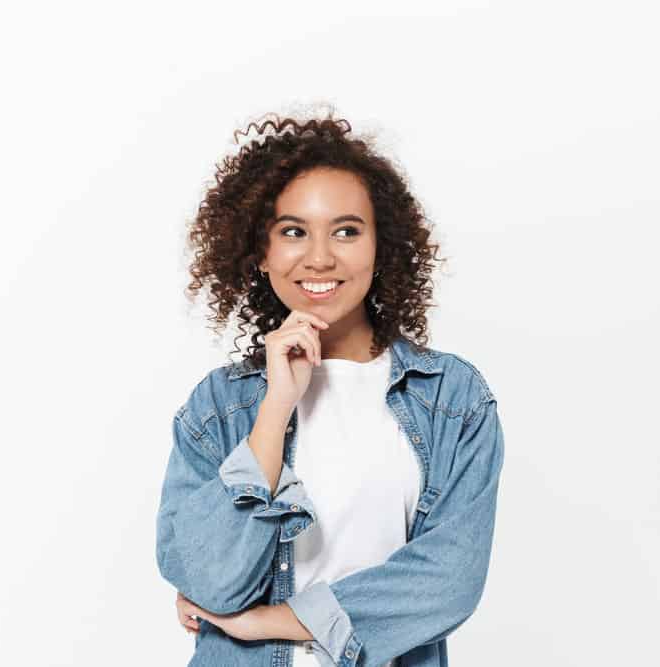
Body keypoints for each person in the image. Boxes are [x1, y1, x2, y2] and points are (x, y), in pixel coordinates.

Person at [155, 110, 505, 667]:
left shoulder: (452, 399)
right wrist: (275, 407)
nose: (320, 257)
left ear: (379, 246)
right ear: (261, 252)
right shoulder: (220, 407)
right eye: (293, 231)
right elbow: (206, 580)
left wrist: (269, 621)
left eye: (346, 230)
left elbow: (450, 578)